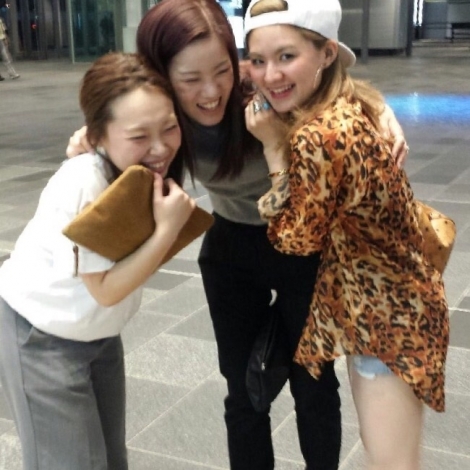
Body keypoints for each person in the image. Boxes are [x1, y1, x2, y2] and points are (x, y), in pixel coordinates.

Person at [65, 1, 409, 469]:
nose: (211, 92)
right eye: (190, 79)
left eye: (222, 70)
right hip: (231, 247)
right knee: (243, 389)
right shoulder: (162, 118)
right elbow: (118, 122)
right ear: (162, 76)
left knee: (313, 382)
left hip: (304, 247)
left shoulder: (265, 92)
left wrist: (381, 110)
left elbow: (334, 88)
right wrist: (93, 139)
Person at [243, 1, 449, 469]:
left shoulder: (319, 134)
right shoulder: (353, 103)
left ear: (327, 53)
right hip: (398, 307)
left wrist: (274, 150)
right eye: (258, 60)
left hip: (385, 322)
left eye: (286, 56)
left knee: (393, 461)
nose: (270, 74)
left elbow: (295, 239)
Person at [0, 52, 195, 470]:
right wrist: (166, 231)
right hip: (40, 335)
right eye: (139, 136)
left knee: (109, 458)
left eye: (170, 127)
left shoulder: (138, 174)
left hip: (96, 333)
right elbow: (104, 289)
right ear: (98, 135)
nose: (161, 147)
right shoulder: (85, 181)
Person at [0, 16, 19, 80]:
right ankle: (12, 74)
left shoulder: (0, 19)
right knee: (6, 57)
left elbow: (3, 29)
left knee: (6, 57)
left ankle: (12, 73)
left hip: (1, 39)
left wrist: (6, 38)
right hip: (1, 39)